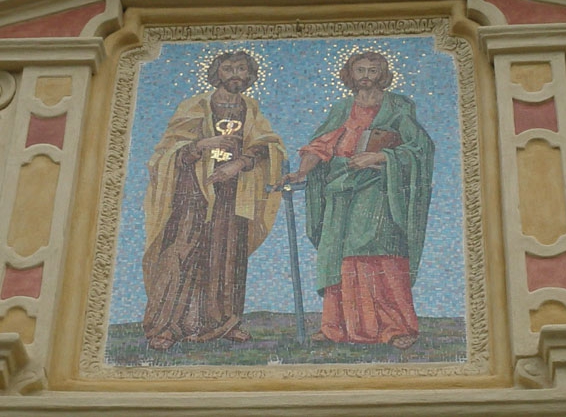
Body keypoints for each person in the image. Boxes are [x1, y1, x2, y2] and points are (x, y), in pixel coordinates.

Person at [280, 51, 434, 349]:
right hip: (341, 190)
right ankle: (337, 328)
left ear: (382, 74)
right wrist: (302, 172)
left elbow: (420, 148)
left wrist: (379, 156)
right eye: (360, 70)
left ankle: (395, 328)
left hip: (378, 189)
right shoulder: (342, 108)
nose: (365, 76)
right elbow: (321, 145)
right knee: (338, 256)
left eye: (372, 70)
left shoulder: (397, 106)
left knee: (377, 251)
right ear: (350, 74)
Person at [142, 51, 286, 350]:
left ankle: (224, 323)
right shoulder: (195, 105)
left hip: (232, 195)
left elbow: (268, 145)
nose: (235, 74)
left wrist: (240, 163)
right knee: (182, 251)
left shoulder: (250, 108)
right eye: (228, 68)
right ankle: (166, 326)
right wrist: (202, 145)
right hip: (194, 192)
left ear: (250, 75)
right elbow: (167, 152)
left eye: (241, 69)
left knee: (227, 255)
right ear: (216, 73)